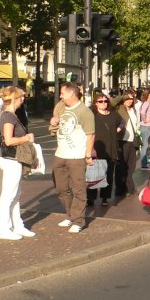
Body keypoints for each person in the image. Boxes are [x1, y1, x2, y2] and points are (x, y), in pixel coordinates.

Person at [52, 82, 96, 234]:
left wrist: (88, 154)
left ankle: (78, 220)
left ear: (71, 94)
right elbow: (55, 121)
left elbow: (91, 135)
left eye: (63, 93)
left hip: (76, 156)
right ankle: (70, 215)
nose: (60, 95)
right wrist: (53, 122)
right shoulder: (62, 107)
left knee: (78, 190)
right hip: (60, 154)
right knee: (61, 188)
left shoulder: (85, 112)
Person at [0, 87, 35, 240]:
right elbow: (9, 140)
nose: (22, 99)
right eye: (20, 97)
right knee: (8, 195)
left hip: (13, 159)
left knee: (15, 194)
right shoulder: (8, 116)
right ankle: (3, 229)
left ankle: (17, 225)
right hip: (11, 159)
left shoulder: (10, 114)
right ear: (14, 99)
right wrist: (26, 138)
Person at [89, 92, 123, 207]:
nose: (104, 103)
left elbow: (122, 122)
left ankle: (104, 197)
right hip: (96, 149)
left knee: (108, 175)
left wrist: (119, 128)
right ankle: (91, 198)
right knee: (93, 174)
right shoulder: (92, 115)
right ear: (95, 103)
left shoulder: (114, 114)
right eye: (100, 101)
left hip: (111, 148)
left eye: (106, 101)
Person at [113, 91, 140, 197]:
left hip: (132, 140)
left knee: (131, 165)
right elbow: (112, 102)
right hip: (122, 140)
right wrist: (123, 96)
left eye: (131, 99)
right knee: (121, 166)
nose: (129, 101)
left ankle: (129, 186)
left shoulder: (133, 109)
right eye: (127, 99)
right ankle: (120, 188)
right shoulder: (118, 108)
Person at [138, 89, 150, 169]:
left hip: (146, 126)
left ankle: (145, 162)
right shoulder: (146, 103)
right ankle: (144, 163)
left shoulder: (146, 103)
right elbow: (142, 112)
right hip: (146, 126)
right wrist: (145, 120)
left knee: (145, 144)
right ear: (149, 95)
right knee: (145, 145)